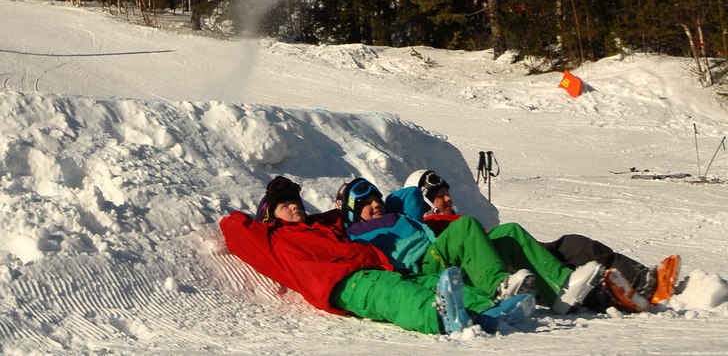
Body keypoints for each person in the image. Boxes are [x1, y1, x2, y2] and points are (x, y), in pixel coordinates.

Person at [219, 175, 527, 336]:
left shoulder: (320, 227)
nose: (294, 206)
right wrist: (266, 213)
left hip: (375, 266)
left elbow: (352, 215)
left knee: (428, 279)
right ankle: (440, 316)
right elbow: (233, 227)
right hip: (343, 283)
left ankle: (488, 311)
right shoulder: (272, 238)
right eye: (284, 205)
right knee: (395, 294)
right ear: (269, 215)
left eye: (295, 201)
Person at [404, 168, 681, 313]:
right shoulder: (427, 229)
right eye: (440, 196)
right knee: (568, 254)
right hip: (491, 270)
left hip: (512, 254)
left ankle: (642, 278)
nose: (449, 199)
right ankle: (601, 295)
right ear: (424, 201)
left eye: (447, 193)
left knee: (576, 244)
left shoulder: (457, 221)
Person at [336, 176, 602, 314]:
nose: (375, 205)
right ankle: (498, 286)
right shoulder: (357, 234)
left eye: (376, 199)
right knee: (465, 226)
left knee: (509, 232)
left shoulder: (400, 216)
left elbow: (412, 194)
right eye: (367, 204)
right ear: (352, 211)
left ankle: (560, 288)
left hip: (438, 252)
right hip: (423, 265)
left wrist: (390, 204)